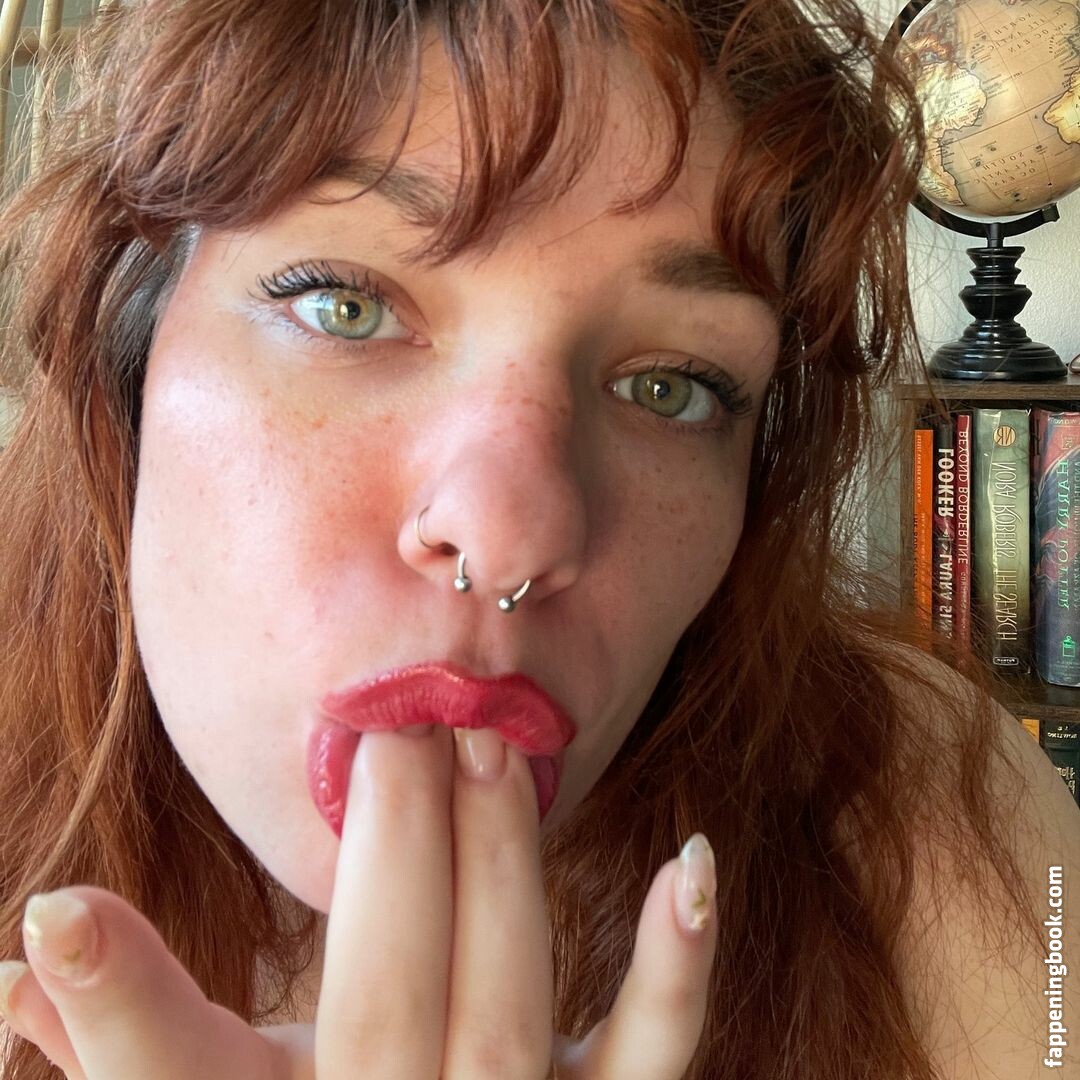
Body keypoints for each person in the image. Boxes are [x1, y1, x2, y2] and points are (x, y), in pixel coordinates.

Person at [0, 0, 1076, 1077]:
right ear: (123, 352)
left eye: (671, 386)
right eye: (342, 307)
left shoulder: (932, 822)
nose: (511, 537)